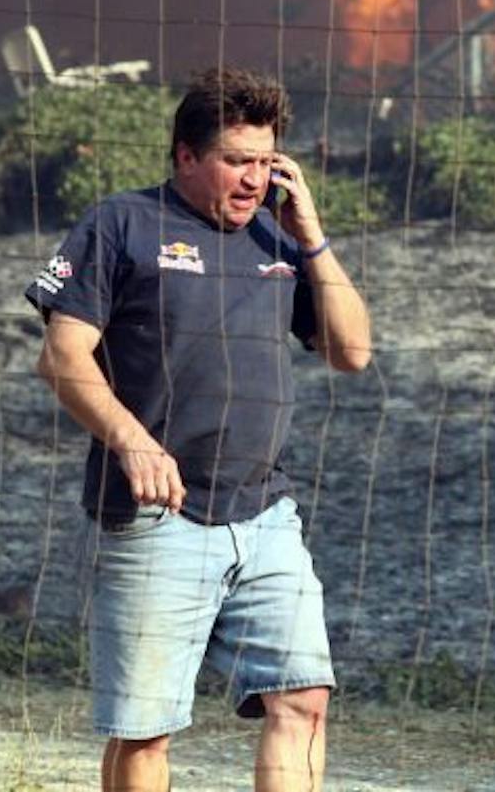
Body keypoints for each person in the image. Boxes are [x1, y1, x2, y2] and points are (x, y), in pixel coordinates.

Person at [28, 66, 372, 792]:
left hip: (267, 512)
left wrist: (310, 234)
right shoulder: (121, 223)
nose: (253, 180)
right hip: (157, 516)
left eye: (265, 162)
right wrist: (132, 440)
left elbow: (352, 351)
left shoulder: (279, 241)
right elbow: (61, 357)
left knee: (304, 697)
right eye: (235, 161)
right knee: (146, 729)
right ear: (186, 155)